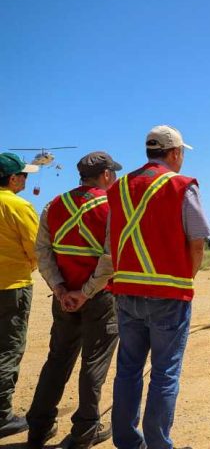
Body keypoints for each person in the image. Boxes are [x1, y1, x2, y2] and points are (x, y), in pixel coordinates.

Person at [108, 126, 210, 449]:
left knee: (128, 369)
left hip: (126, 293)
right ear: (175, 153)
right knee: (164, 373)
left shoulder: (120, 186)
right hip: (170, 296)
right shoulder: (182, 185)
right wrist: (185, 277)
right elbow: (197, 243)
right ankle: (158, 444)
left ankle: (126, 441)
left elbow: (112, 240)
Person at [26, 152, 122, 448]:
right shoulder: (112, 208)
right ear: (106, 175)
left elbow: (43, 251)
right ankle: (85, 429)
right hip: (100, 298)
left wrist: (60, 289)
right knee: (94, 363)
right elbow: (110, 257)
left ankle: (38, 428)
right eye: (114, 173)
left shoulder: (54, 205)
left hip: (64, 298)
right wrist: (86, 292)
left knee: (57, 360)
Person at [0, 152, 39, 439]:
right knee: (8, 350)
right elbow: (36, 250)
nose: (26, 179)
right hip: (12, 287)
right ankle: (2, 417)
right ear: (13, 178)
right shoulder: (18, 205)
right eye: (24, 175)